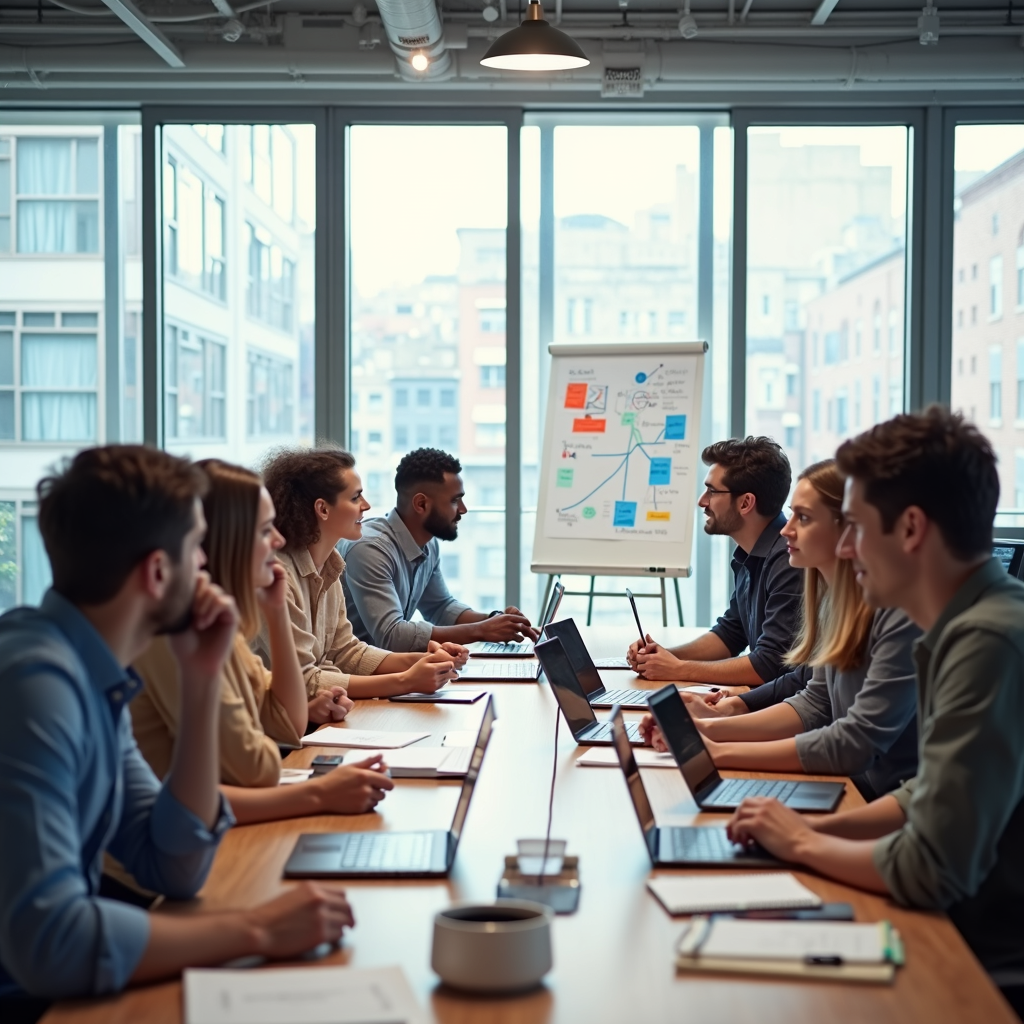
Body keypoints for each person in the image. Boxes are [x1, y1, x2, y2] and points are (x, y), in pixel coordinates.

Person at [0, 447, 354, 1022]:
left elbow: (173, 866)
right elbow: (52, 943)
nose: (208, 563)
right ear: (159, 573)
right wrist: (258, 929)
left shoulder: (96, 674)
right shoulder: (35, 686)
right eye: (196, 547)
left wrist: (201, 678)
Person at [725, 408, 1024, 1012]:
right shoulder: (966, 624)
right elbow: (930, 791)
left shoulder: (986, 639)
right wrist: (811, 830)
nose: (844, 547)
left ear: (910, 529)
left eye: (856, 527)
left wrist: (802, 845)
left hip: (984, 953)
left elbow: (928, 869)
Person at [131, 459, 395, 826]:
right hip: (179, 845)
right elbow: (259, 768)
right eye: (264, 530)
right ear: (229, 539)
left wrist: (276, 613)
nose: (279, 540)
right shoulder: (178, 631)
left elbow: (288, 721)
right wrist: (319, 792)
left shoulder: (222, 620)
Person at [641, 460, 919, 801]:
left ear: (848, 529)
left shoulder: (896, 612)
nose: (786, 530)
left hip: (888, 799)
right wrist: (707, 728)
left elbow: (853, 743)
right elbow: (816, 702)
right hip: (863, 787)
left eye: (804, 518)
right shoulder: (833, 602)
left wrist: (716, 749)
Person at [258, 446, 468, 701]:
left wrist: (424, 660)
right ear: (323, 509)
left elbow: (346, 651)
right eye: (356, 497)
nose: (366, 506)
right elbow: (304, 680)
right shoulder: (277, 577)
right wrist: (406, 681)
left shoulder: (330, 565)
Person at [629, 436, 803, 686]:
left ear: (746, 503)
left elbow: (768, 665)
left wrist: (679, 669)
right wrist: (662, 656)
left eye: (712, 491)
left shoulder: (789, 560)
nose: (702, 501)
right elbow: (731, 633)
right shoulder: (750, 554)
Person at [340, 447, 538, 651]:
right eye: (454, 500)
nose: (463, 509)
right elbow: (392, 636)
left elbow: (440, 607)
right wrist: (480, 630)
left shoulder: (428, 542)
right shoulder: (370, 549)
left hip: (388, 665)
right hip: (351, 669)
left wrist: (495, 620)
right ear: (421, 504)